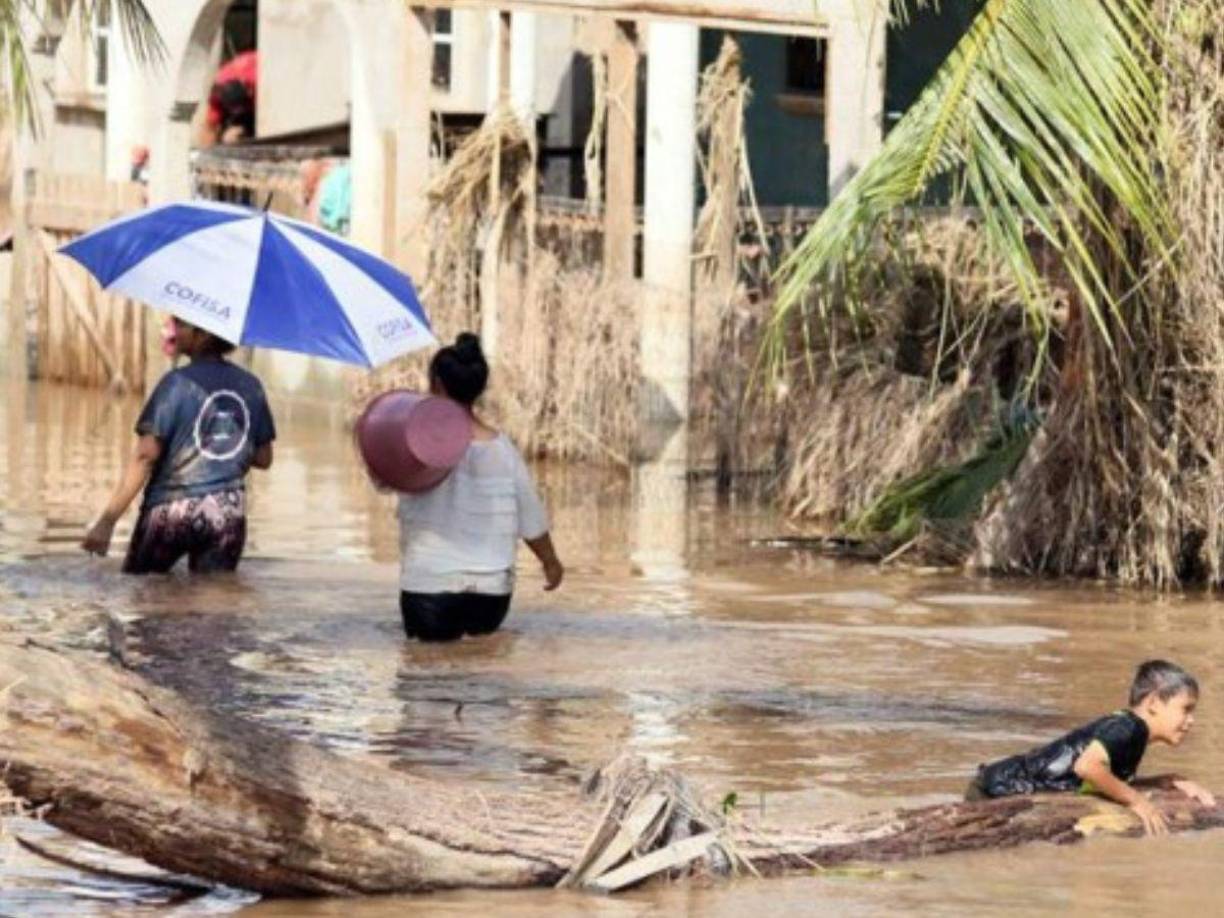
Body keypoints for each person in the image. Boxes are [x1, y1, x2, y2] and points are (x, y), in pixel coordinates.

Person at [396, 333, 563, 642]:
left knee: (425, 677)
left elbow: (385, 479)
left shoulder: (416, 446)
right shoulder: (504, 451)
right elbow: (531, 519)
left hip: (429, 589)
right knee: (479, 674)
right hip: (490, 594)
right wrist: (550, 563)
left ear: (437, 385)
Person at [81, 318, 276, 574]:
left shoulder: (175, 383)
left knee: (142, 592)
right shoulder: (252, 386)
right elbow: (263, 458)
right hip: (227, 513)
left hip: (171, 509)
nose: (176, 332)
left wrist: (107, 522)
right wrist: (224, 442)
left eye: (182, 325)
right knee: (214, 606)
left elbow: (145, 456)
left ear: (203, 334)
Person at [966, 660, 1215, 834]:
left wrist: (1166, 781)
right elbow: (1087, 768)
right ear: (1153, 703)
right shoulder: (1128, 728)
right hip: (995, 789)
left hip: (997, 784)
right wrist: (1137, 801)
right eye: (1186, 709)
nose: (1191, 720)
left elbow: (1101, 781)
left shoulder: (1130, 733)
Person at [202, 50, 257, 147]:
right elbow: (210, 127)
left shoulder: (258, 75)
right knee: (230, 137)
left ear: (249, 91)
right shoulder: (216, 96)